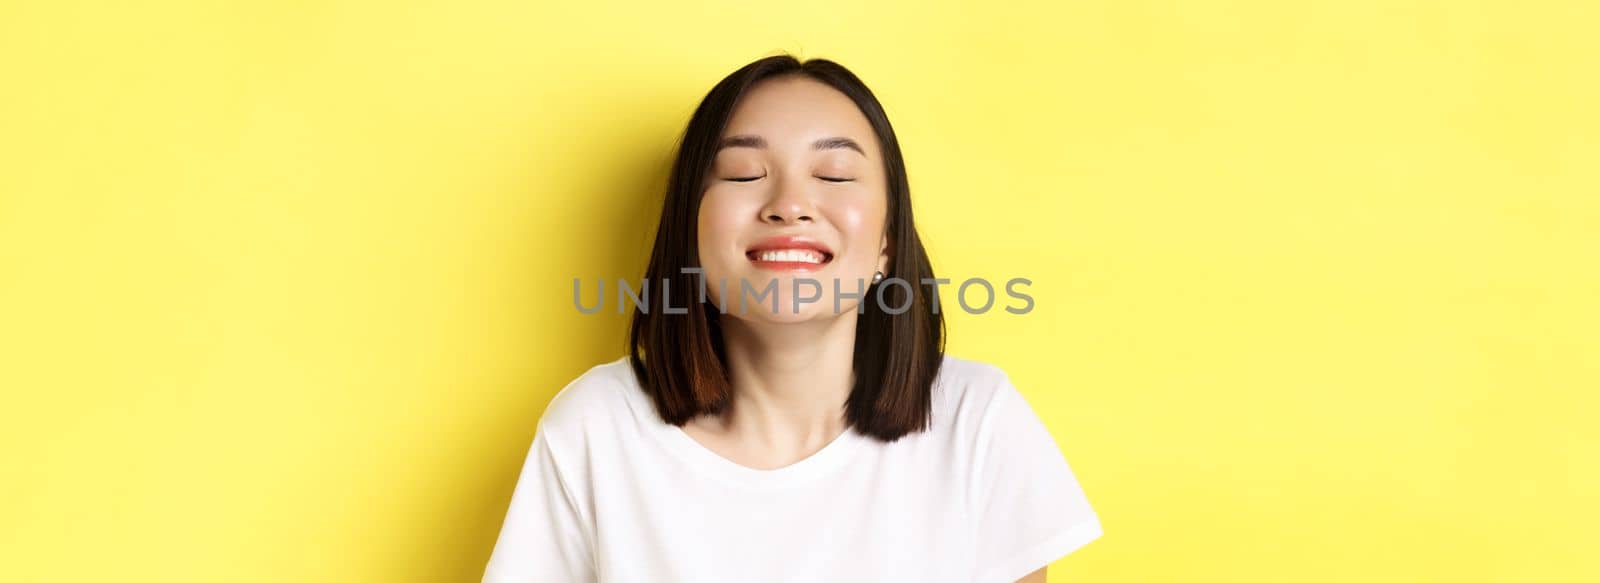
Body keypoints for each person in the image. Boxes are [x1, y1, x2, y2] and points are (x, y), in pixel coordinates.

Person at [483, 53, 1101, 582]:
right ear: (690, 232)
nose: (790, 206)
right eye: (745, 174)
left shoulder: (977, 419)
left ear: (887, 242)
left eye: (833, 174)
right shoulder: (596, 427)